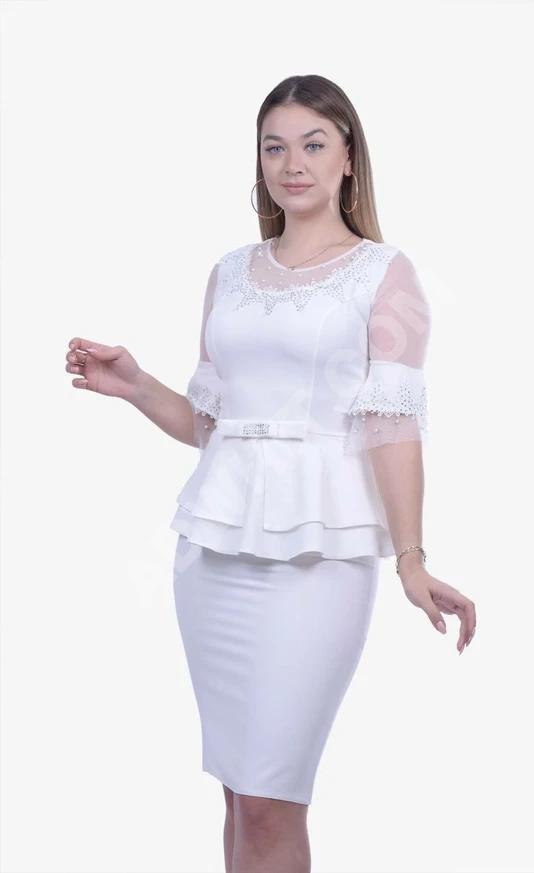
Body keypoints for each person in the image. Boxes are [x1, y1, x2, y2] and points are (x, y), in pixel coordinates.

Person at [65, 74, 476, 873]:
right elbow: (211, 426)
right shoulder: (229, 272)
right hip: (213, 557)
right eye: (275, 147)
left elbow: (390, 425)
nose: (293, 163)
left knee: (268, 798)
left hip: (319, 562)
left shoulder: (384, 274)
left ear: (348, 158)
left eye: (313, 144)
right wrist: (137, 385)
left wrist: (412, 558)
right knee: (237, 795)